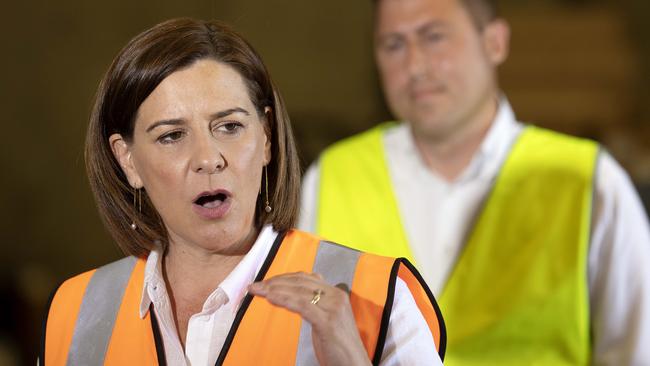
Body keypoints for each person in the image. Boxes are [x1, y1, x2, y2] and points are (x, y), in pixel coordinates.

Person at [38, 18, 446, 366]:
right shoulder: (73, 314)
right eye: (172, 135)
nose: (209, 157)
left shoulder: (376, 297)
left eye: (230, 127)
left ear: (266, 137)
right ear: (127, 160)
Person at [299, 0, 650, 364]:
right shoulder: (332, 176)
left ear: (495, 42)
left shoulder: (589, 180)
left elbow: (635, 352)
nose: (414, 65)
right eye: (393, 44)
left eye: (434, 37)